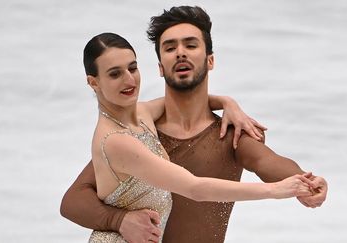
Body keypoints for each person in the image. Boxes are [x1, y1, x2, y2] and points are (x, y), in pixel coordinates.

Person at [61, 6, 328, 243]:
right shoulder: (137, 131)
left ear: (210, 60)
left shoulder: (227, 134)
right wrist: (119, 221)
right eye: (169, 47)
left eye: (190, 45)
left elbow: (268, 162)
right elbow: (73, 200)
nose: (180, 53)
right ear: (160, 67)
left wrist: (305, 181)